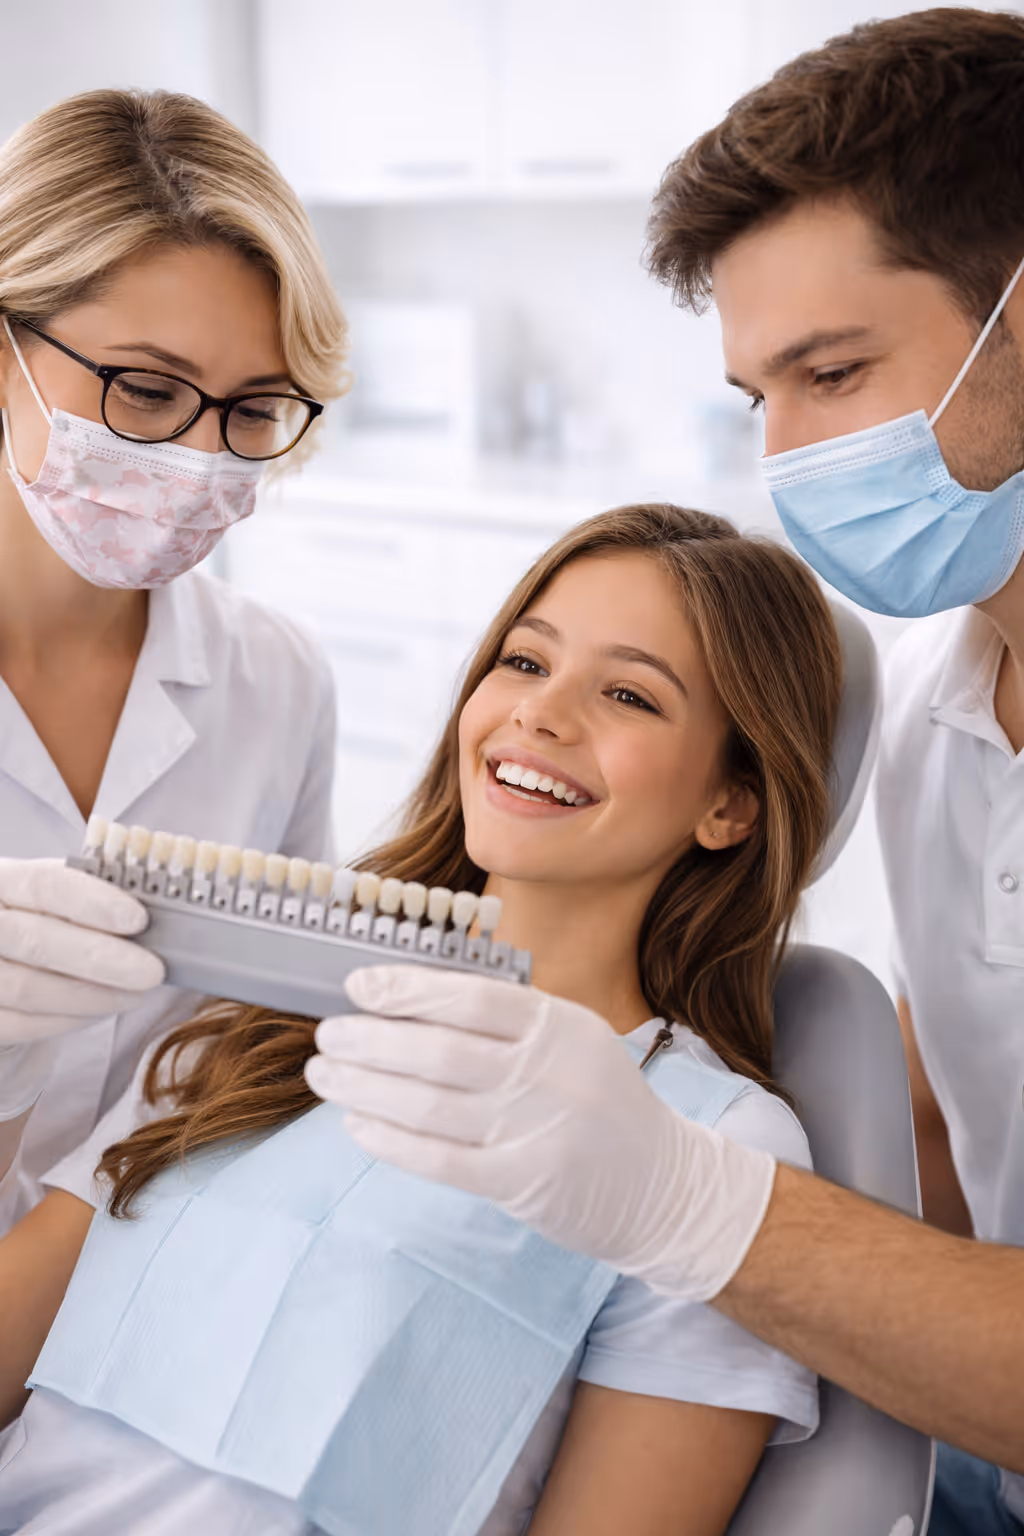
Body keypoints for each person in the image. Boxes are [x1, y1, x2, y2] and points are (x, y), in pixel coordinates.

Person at [301, 10, 1024, 1533]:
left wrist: (691, 1199)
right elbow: (957, 1119)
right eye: (757, 395)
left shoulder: (695, 1153)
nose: (787, 461)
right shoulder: (947, 708)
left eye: (833, 372)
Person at [0, 505, 840, 1536]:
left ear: (731, 805)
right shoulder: (255, 1018)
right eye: (524, 663)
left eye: (627, 694)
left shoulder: (707, 1150)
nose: (541, 714)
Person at [0, 88, 347, 1233]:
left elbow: (247, 1045)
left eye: (254, 409)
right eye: (145, 390)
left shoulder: (275, 681)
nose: (200, 458)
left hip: (115, 1305)